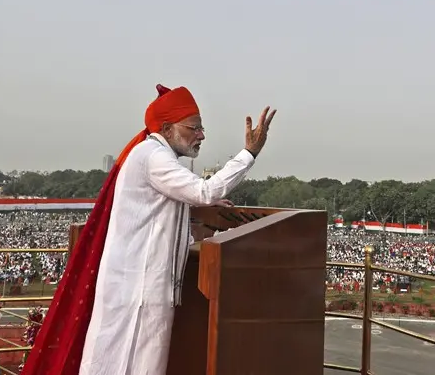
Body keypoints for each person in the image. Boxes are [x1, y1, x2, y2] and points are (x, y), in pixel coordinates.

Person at [23, 84, 276, 375]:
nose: (202, 135)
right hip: (137, 290)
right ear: (168, 128)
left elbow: (176, 204)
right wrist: (249, 153)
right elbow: (205, 191)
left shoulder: (155, 155)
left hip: (142, 288)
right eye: (194, 128)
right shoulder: (153, 156)